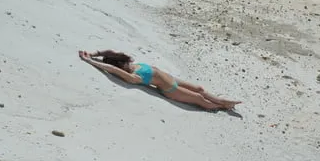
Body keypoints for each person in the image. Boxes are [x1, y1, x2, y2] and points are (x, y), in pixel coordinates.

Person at [78, 49, 242, 110]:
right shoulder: (133, 77)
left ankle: (221, 100)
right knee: (199, 99)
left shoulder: (132, 65)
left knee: (199, 89)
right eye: (124, 64)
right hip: (171, 90)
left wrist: (94, 53)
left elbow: (110, 53)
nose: (127, 63)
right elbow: (111, 68)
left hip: (173, 79)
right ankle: (221, 106)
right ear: (121, 67)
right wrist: (90, 61)